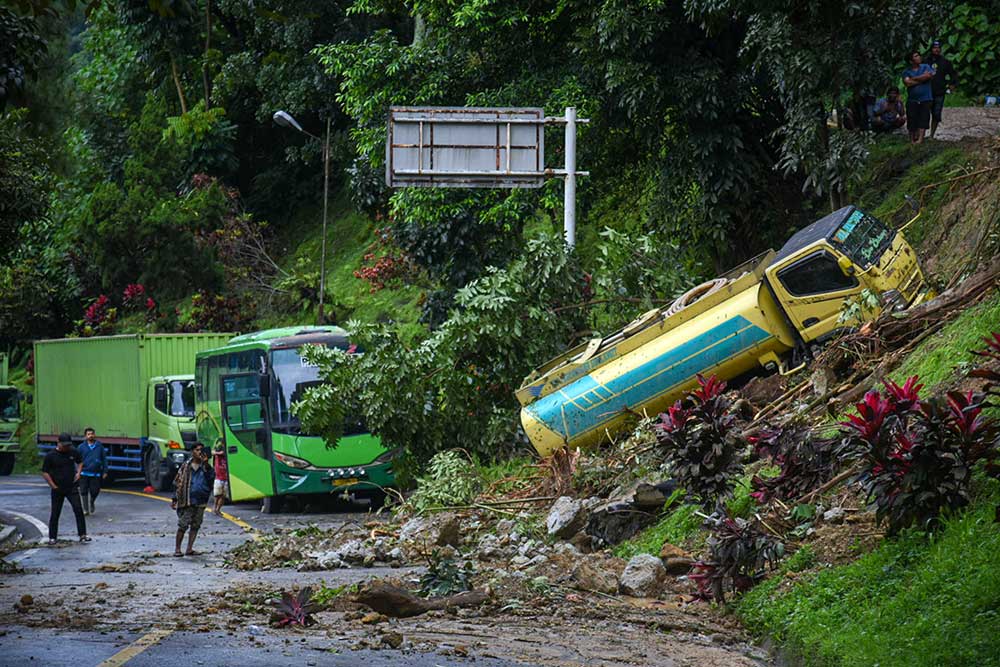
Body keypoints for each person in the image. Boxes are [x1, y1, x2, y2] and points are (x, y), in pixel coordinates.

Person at [41, 432, 90, 544]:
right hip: (57, 488)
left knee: (78, 509)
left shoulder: (73, 452)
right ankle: (52, 537)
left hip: (71, 487)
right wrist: (53, 485)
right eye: (64, 445)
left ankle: (83, 534)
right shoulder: (51, 456)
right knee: (55, 512)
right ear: (58, 443)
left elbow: (80, 461)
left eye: (68, 445)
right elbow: (45, 472)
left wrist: (78, 472)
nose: (66, 447)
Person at [171, 442, 214, 557]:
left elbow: (211, 481)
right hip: (187, 500)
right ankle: (177, 549)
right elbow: (178, 482)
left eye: (201, 450)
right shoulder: (186, 466)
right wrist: (174, 498)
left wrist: (206, 465)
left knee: (196, 525)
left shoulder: (207, 467)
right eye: (197, 450)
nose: (200, 452)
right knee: (183, 525)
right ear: (192, 452)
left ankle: (189, 548)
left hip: (201, 500)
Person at [926, 40, 959, 139]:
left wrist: (952, 84)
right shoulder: (925, 61)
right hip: (926, 92)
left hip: (939, 91)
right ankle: (921, 135)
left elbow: (953, 74)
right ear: (931, 49)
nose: (937, 49)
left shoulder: (945, 62)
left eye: (938, 48)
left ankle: (932, 135)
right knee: (924, 114)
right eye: (935, 48)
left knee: (936, 114)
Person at [902, 50, 935, 144]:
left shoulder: (926, 66)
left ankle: (920, 139)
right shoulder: (906, 71)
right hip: (912, 99)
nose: (919, 57)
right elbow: (907, 83)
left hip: (926, 98)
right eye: (916, 56)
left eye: (918, 55)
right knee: (912, 119)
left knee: (924, 118)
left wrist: (914, 79)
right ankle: (912, 140)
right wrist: (922, 79)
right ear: (911, 61)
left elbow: (929, 75)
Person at [77, 427, 107, 516]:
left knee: (95, 490)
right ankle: (85, 509)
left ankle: (92, 501)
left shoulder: (99, 446)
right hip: (84, 473)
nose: (90, 436)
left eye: (92, 434)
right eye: (88, 434)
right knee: (83, 491)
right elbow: (77, 460)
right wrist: (77, 472)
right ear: (85, 436)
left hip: (96, 473)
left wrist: (105, 471)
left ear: (94, 435)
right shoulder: (81, 447)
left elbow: (104, 459)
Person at [211, 441, 229, 516]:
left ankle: (217, 509)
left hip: (226, 478)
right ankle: (215, 508)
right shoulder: (217, 455)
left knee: (222, 496)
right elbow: (212, 452)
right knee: (217, 495)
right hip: (218, 477)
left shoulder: (227, 455)